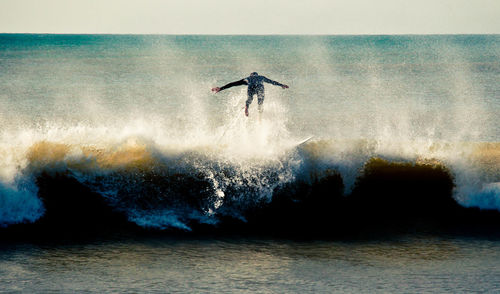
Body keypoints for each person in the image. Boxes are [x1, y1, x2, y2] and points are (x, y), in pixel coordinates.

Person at [212, 72, 289, 116]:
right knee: (260, 100)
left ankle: (246, 107)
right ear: (257, 75)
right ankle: (260, 110)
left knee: (249, 99)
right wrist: (281, 85)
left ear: (251, 75)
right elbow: (272, 82)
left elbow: (233, 84)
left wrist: (221, 88)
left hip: (251, 87)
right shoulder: (262, 77)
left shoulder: (247, 79)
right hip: (259, 87)